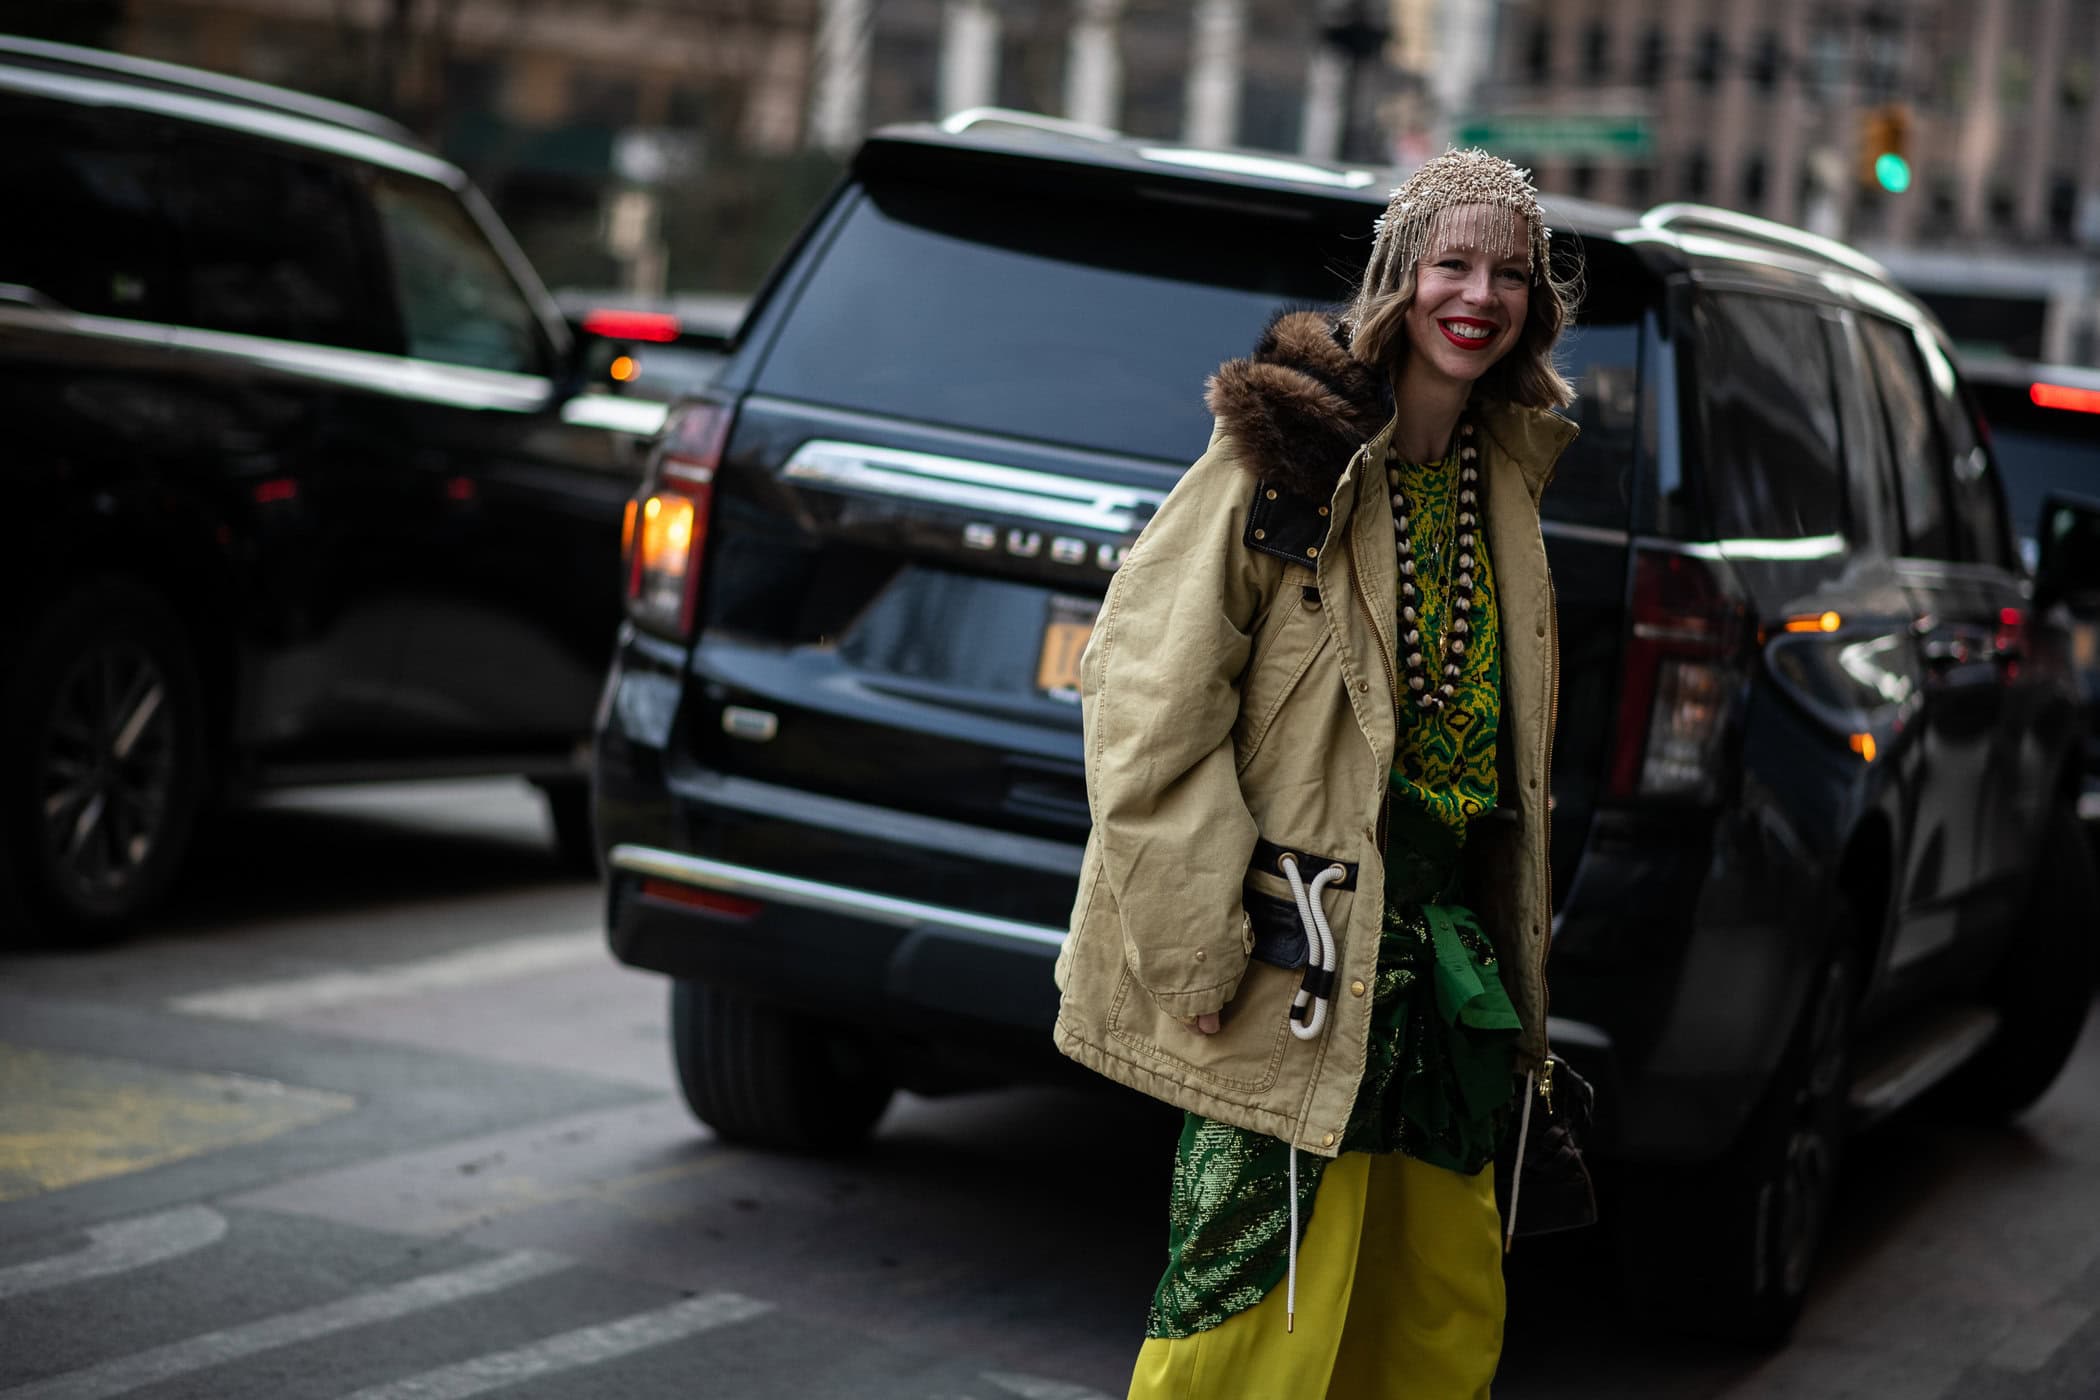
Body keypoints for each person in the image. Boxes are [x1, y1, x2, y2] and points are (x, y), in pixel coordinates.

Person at [1051, 149, 1580, 1399]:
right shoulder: (1284, 456)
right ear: (1400, 279)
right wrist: (1194, 945)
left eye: (1510, 272)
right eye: (1452, 262)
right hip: (1293, 963)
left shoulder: (1505, 474)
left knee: (1432, 1319)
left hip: (1447, 987)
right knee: (1244, 1331)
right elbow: (1142, 700)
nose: (1479, 294)